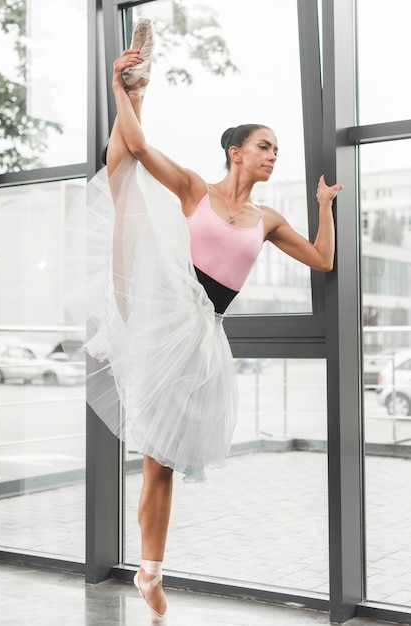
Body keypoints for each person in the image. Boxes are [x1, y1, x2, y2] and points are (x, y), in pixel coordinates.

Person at [83, 17, 342, 626]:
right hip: (163, 302)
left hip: (202, 335)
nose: (273, 155)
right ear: (235, 151)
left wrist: (324, 208)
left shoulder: (269, 218)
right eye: (264, 146)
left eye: (277, 149)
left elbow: (324, 260)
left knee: (162, 459)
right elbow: (143, 150)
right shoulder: (196, 190)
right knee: (124, 175)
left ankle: (149, 570)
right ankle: (134, 81)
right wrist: (120, 93)